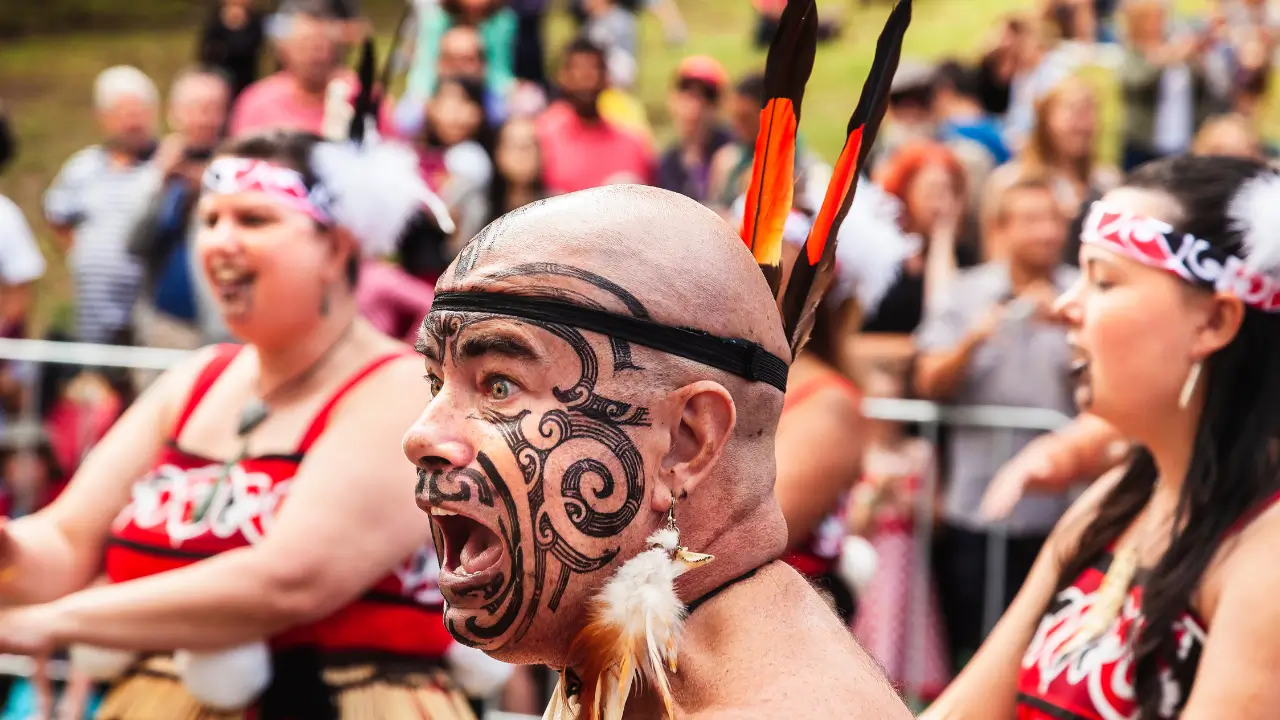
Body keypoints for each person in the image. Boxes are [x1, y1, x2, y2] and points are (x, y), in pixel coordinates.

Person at [405, 0, 914, 716]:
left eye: (499, 386)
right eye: (436, 381)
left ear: (686, 441)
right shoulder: (626, 665)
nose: (422, 435)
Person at [0, 130, 488, 718]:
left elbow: (289, 579)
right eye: (209, 220)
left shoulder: (402, 389)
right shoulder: (198, 379)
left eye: (253, 219)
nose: (219, 243)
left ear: (336, 246)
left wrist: (52, 622)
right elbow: (64, 541)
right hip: (159, 696)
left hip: (343, 700)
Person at [923, 154, 1280, 719]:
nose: (1068, 306)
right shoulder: (1110, 505)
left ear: (1214, 323)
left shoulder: (1266, 557)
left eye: (1105, 281)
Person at [914, 174, 1080, 670]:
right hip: (980, 503)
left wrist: (1075, 327)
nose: (1047, 232)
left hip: (1064, 510)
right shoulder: (966, 293)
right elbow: (926, 380)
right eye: (1032, 220)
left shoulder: (1085, 292)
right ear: (1002, 229)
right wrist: (975, 339)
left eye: (1053, 220)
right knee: (979, 647)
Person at [44, 65, 160, 345]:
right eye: (122, 113)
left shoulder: (166, 166)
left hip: (150, 308)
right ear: (103, 118)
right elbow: (57, 214)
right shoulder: (82, 167)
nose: (132, 122)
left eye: (138, 111)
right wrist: (81, 256)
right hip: (93, 311)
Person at [129, 67, 234, 352]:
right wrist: (159, 178)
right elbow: (132, 243)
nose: (205, 118)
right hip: (167, 326)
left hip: (225, 329)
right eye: (196, 108)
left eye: (214, 108)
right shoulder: (155, 169)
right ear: (173, 113)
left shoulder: (240, 169)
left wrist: (215, 182)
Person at [534, 38, 654, 195]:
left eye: (594, 69)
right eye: (577, 70)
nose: (586, 80)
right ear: (562, 76)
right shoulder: (542, 135)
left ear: (606, 78)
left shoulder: (633, 144)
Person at [228, 0, 350, 137]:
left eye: (322, 47)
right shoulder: (258, 102)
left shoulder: (358, 95)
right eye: (304, 47)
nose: (316, 56)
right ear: (284, 52)